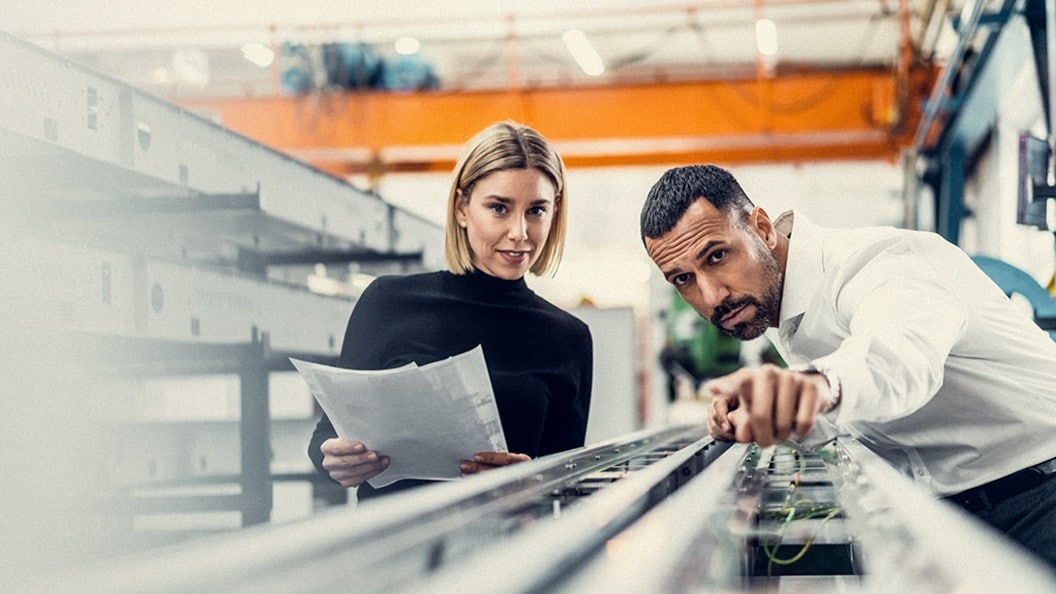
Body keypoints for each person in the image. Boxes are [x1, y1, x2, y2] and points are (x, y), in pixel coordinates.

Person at [639, 164, 1056, 567]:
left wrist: (814, 387)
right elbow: (858, 414)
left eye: (716, 256)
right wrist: (764, 414)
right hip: (963, 515)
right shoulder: (783, 312)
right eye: (683, 279)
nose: (711, 296)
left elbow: (899, 357)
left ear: (762, 228)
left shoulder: (875, 263)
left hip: (1043, 496)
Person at [309, 121, 593, 502]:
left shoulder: (568, 338)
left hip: (510, 535)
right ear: (462, 208)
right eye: (499, 208)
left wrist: (531, 480)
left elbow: (569, 485)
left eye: (536, 211)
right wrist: (336, 458)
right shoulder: (387, 303)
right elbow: (325, 438)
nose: (520, 232)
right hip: (398, 535)